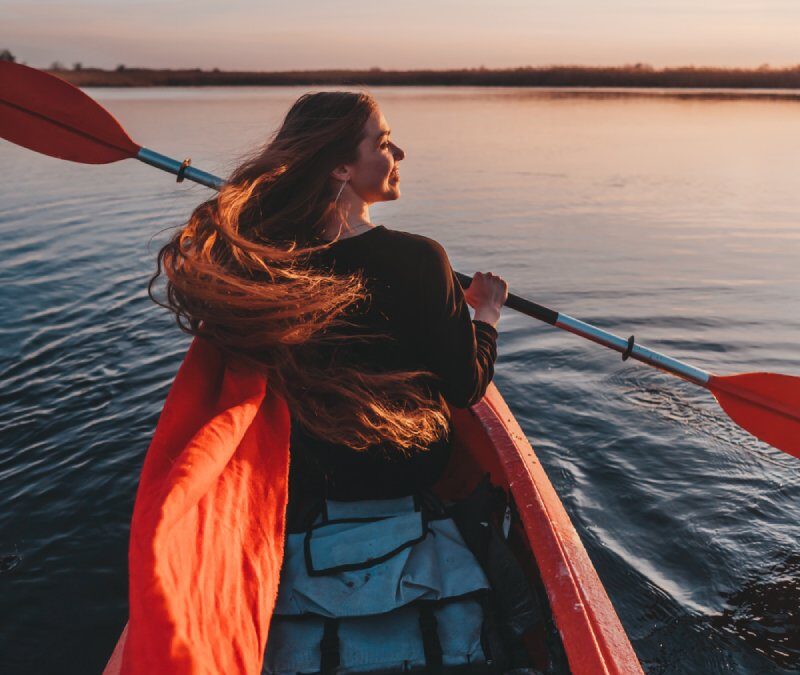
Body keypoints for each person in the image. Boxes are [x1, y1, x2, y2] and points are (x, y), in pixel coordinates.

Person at [150, 90, 508, 520]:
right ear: (341, 167)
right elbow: (466, 388)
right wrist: (487, 312)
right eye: (383, 143)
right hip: (411, 467)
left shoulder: (266, 263)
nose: (399, 153)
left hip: (312, 475)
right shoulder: (422, 259)